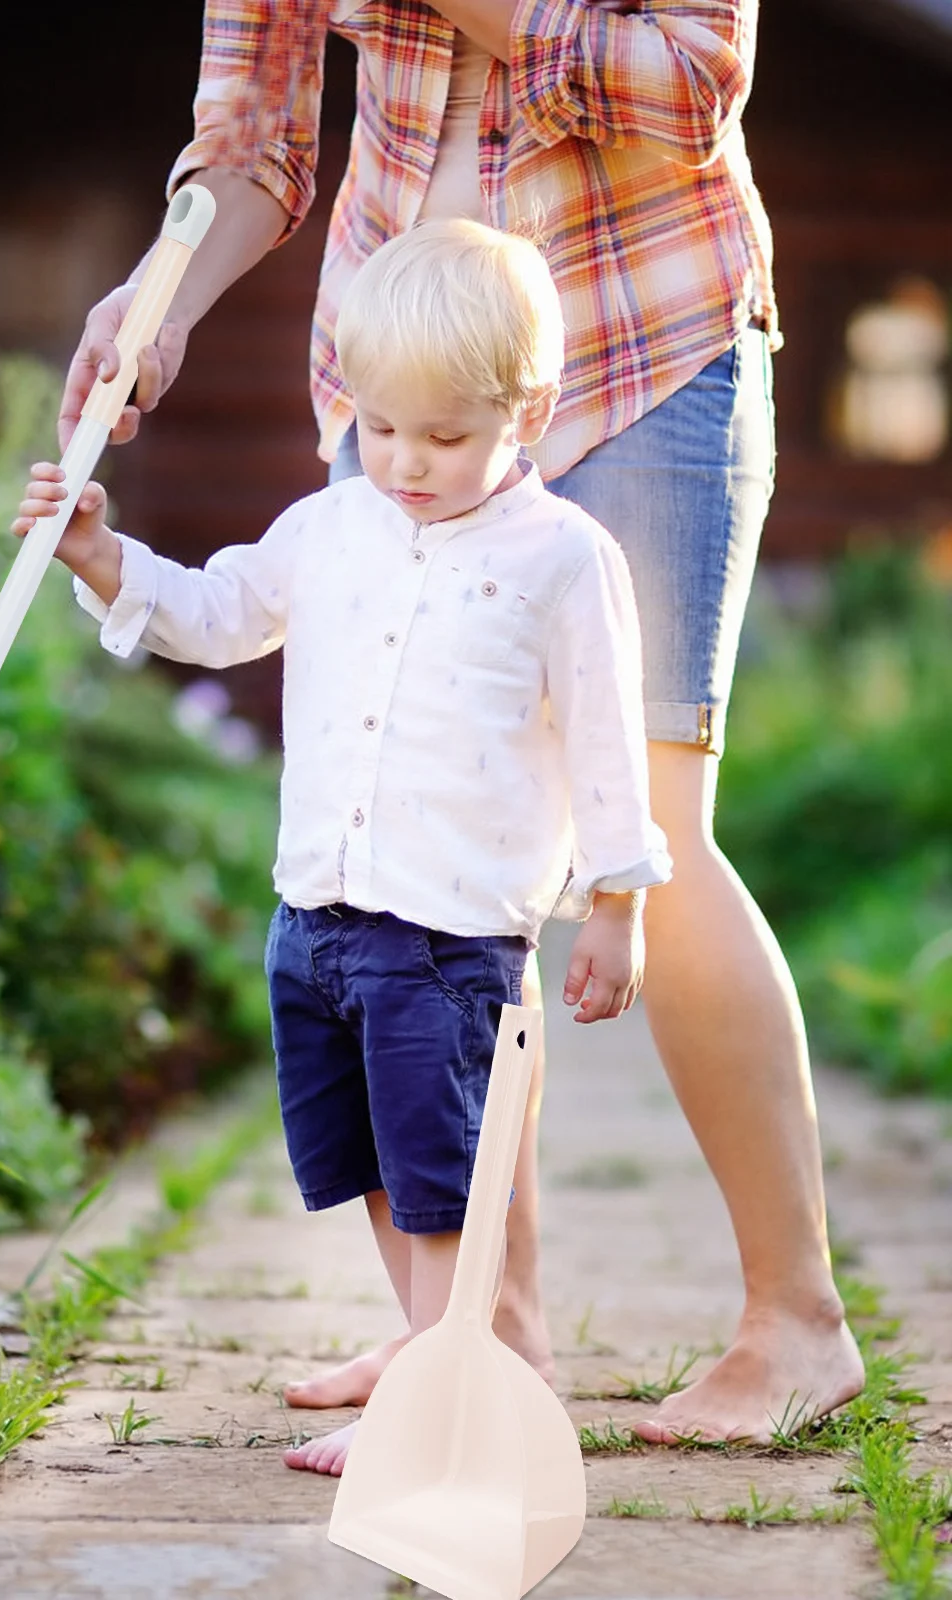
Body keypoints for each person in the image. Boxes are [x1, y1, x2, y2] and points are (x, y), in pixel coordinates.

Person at [55, 0, 864, 1451]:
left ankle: (794, 1322)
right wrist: (160, 295)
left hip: (634, 341)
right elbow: (253, 128)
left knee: (658, 831)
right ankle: (483, 1342)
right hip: (404, 372)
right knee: (446, 880)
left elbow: (695, 84)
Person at [19, 218, 674, 1476]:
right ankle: (442, 1355)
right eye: (381, 430)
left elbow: (601, 736)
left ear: (525, 410)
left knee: (439, 1178)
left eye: (446, 437)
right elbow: (215, 614)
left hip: (445, 938)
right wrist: (103, 559)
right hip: (316, 916)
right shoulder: (331, 528)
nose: (409, 463)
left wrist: (615, 900)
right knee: (365, 1162)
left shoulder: (560, 562)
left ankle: (438, 1407)